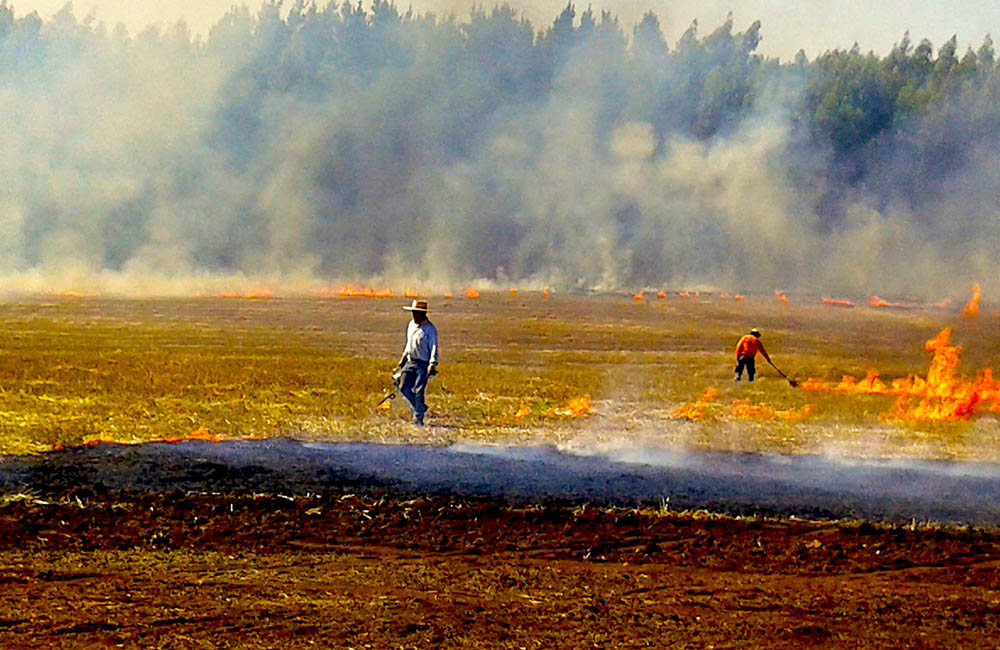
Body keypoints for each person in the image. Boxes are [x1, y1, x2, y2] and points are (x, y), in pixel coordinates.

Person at [396, 299, 439, 425]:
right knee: (403, 386)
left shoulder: (430, 329)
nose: (414, 315)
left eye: (416, 313)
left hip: (423, 364)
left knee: (419, 390)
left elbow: (434, 347)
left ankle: (418, 419)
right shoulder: (411, 325)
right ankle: (419, 407)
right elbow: (409, 344)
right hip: (411, 361)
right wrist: (403, 359)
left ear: (423, 314)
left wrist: (432, 364)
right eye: (413, 312)